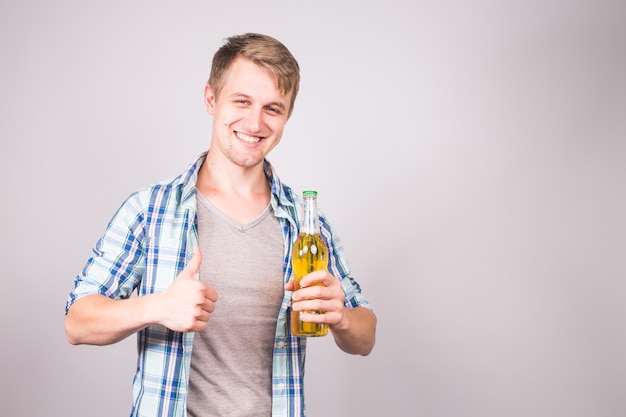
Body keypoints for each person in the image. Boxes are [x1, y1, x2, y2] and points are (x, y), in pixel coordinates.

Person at [64, 32, 376, 417]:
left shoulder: (307, 224)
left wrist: (342, 315)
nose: (255, 122)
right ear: (211, 98)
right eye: (242, 101)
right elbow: (77, 323)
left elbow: (365, 336)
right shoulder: (151, 209)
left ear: (287, 116)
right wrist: (157, 306)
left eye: (273, 109)